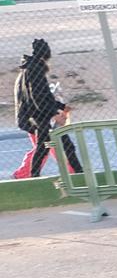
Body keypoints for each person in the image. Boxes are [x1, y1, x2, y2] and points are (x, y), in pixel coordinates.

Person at [13, 38, 80, 177]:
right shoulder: (34, 70)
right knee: (55, 147)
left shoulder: (29, 69)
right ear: (46, 55)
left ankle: (29, 175)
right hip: (37, 118)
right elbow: (38, 97)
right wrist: (54, 113)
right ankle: (77, 173)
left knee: (46, 148)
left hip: (33, 117)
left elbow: (43, 95)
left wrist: (61, 106)